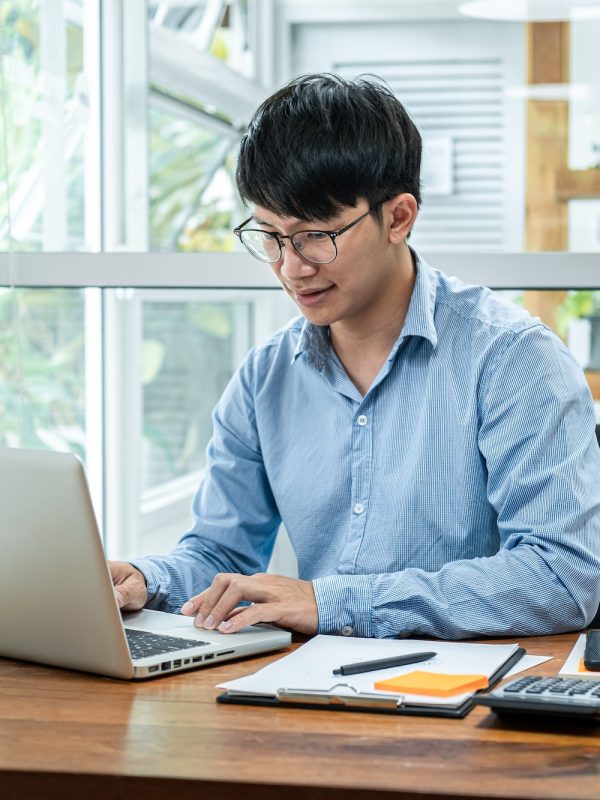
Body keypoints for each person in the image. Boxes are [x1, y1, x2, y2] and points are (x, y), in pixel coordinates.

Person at [111, 74, 600, 640]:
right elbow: (221, 552)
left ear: (398, 217)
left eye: (316, 234)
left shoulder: (512, 360)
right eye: (269, 235)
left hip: (473, 699)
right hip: (307, 689)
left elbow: (564, 575)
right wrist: (147, 580)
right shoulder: (264, 378)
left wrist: (333, 602)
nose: (291, 268)